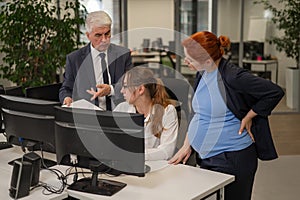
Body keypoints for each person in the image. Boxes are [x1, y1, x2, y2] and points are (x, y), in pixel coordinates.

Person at [168, 31, 284, 200]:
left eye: (190, 60)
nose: (186, 62)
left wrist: (249, 116)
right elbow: (198, 112)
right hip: (208, 157)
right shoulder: (203, 72)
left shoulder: (233, 76)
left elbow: (274, 92)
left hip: (231, 158)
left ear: (208, 60)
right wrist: (188, 144)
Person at [59, 10, 132, 110]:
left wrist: (111, 89)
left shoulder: (123, 55)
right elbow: (66, 88)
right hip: (89, 116)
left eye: (107, 34)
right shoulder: (75, 59)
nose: (104, 40)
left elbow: (132, 86)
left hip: (120, 114)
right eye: (98, 35)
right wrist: (67, 98)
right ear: (88, 35)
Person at [114, 67, 179, 161]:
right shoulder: (122, 109)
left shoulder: (167, 111)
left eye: (125, 86)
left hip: (154, 168)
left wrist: (134, 155)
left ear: (140, 89)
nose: (122, 91)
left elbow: (166, 152)